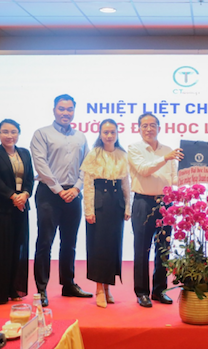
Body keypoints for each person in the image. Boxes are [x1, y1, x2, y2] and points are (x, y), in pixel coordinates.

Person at [31, 94, 92, 307]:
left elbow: (87, 165)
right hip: (49, 193)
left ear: (74, 111)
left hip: (73, 193)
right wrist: (58, 189)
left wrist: (76, 187)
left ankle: (68, 284)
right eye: (61, 109)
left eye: (69, 109)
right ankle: (41, 289)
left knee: (70, 243)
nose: (66, 113)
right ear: (54, 110)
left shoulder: (81, 137)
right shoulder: (42, 134)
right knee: (45, 242)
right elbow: (40, 165)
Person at [128, 113, 182, 308]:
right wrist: (165, 158)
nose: (149, 129)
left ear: (159, 127)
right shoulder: (134, 148)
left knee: (163, 248)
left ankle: (159, 290)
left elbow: (173, 179)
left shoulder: (168, 150)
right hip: (143, 202)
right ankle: (142, 292)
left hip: (165, 203)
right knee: (142, 249)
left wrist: (194, 173)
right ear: (139, 129)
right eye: (145, 126)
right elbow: (144, 170)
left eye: (152, 125)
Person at [0, 119, 34, 304]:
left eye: (13, 132)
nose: (9, 135)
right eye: (5, 132)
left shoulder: (24, 153)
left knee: (17, 248)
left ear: (18, 134)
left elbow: (30, 179)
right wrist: (13, 196)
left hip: (20, 208)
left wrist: (25, 194)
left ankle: (14, 288)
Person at [81, 119, 131, 308]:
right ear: (100, 134)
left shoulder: (122, 155)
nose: (109, 136)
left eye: (112, 132)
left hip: (116, 204)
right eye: (106, 132)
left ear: (117, 134)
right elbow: (88, 185)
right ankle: (99, 289)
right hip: (99, 203)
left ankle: (108, 286)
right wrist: (88, 210)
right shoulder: (94, 154)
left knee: (113, 246)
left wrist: (128, 206)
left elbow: (126, 184)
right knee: (98, 246)